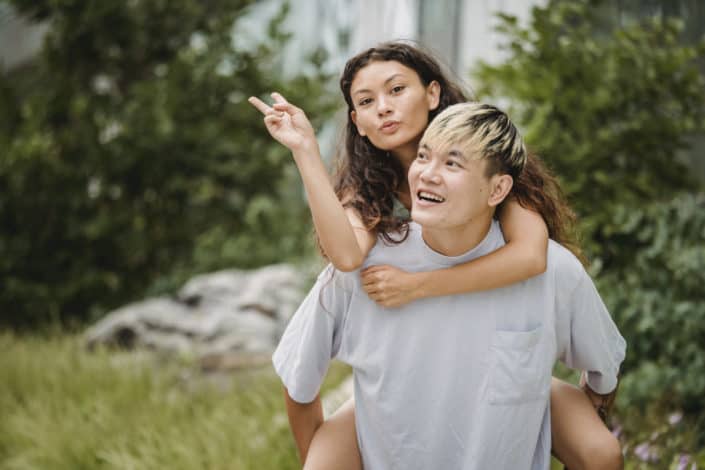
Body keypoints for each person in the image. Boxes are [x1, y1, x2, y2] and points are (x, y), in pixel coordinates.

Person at [250, 42, 623, 469]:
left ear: (432, 94)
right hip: (406, 384)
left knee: (599, 450)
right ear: (358, 123)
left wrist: (419, 286)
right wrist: (305, 152)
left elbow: (531, 258)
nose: (384, 109)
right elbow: (348, 257)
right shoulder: (369, 191)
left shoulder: (491, 168)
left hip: (498, 373)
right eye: (367, 102)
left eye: (396, 91)